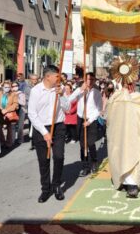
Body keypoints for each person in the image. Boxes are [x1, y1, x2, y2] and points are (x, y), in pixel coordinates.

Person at [106, 61, 140, 198]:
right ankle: (122, 179)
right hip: (120, 135)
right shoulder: (115, 98)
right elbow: (109, 115)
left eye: (131, 83)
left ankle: (133, 183)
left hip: (136, 134)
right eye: (127, 83)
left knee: (137, 155)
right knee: (120, 154)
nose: (129, 85)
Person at [28, 65, 69, 203]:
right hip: (41, 128)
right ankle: (46, 189)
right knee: (44, 160)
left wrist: (62, 96)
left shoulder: (60, 88)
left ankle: (56, 185)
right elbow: (32, 114)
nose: (60, 78)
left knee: (59, 156)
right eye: (57, 76)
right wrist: (45, 133)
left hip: (58, 126)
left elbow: (67, 108)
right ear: (48, 76)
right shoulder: (36, 91)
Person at [68, 72, 103, 177]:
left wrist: (90, 120)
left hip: (91, 120)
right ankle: (85, 166)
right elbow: (69, 100)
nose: (89, 81)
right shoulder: (79, 91)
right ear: (84, 80)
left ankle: (94, 162)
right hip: (80, 118)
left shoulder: (96, 93)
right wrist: (79, 90)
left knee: (91, 143)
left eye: (92, 79)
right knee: (83, 145)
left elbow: (99, 109)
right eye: (87, 79)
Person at [0, 81, 18, 149]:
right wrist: (1, 109)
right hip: (0, 113)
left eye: (8, 87)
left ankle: (9, 143)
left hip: (9, 113)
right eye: (5, 87)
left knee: (10, 128)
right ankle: (2, 142)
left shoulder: (13, 94)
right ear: (2, 87)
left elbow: (15, 104)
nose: (7, 88)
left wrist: (7, 110)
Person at [25, 74, 39, 151]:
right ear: (30, 80)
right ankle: (33, 143)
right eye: (33, 79)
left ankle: (39, 143)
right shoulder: (27, 88)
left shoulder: (40, 87)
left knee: (38, 126)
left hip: (40, 110)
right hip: (31, 110)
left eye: (36, 79)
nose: (34, 81)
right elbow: (26, 98)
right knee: (31, 126)